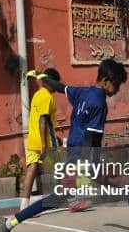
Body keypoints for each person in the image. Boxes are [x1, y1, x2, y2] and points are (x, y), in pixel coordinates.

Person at [0, 59, 129, 232]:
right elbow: (91, 138)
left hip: (75, 155)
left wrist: (41, 76)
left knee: (62, 197)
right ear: (105, 80)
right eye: (116, 83)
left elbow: (59, 86)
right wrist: (90, 167)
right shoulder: (100, 103)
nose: (117, 88)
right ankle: (8, 224)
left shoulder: (79, 92)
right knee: (124, 184)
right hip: (84, 158)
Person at [23, 69, 90, 213]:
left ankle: (23, 207)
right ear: (49, 82)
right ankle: (73, 202)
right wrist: (44, 145)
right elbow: (43, 121)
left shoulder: (37, 95)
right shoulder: (47, 97)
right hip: (46, 143)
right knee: (62, 171)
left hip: (32, 139)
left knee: (31, 171)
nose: (56, 87)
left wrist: (56, 139)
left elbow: (40, 120)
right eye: (55, 83)